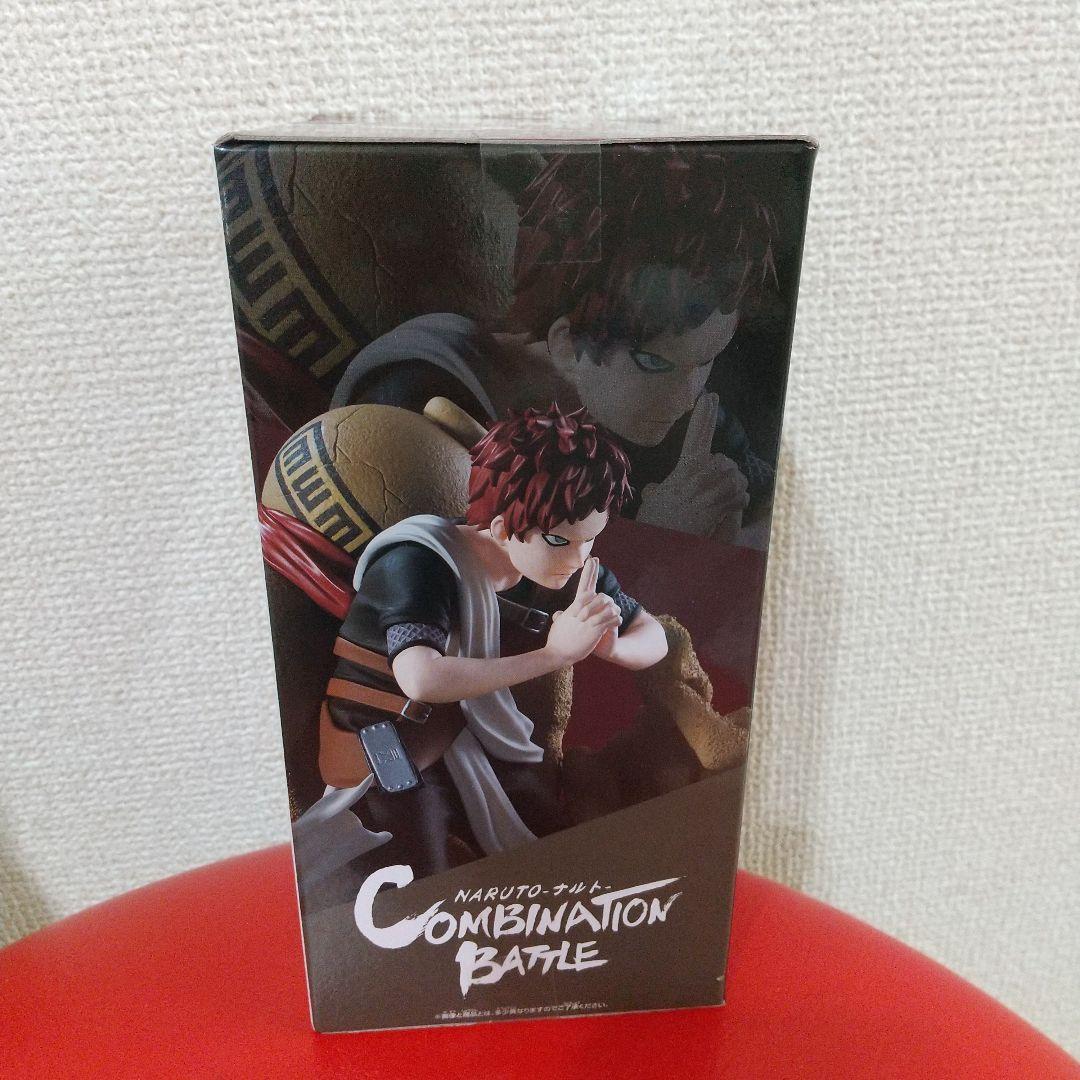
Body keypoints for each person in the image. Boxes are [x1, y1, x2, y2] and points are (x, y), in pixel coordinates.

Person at [296, 405, 669, 887]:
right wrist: (555, 655)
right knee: (417, 863)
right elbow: (420, 677)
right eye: (562, 541)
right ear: (501, 528)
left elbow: (652, 634)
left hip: (475, 736)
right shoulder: (418, 561)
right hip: (379, 739)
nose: (580, 558)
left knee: (554, 836)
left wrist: (612, 648)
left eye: (590, 540)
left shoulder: (560, 563)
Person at [330, 145, 780, 542]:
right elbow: (429, 580)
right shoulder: (419, 387)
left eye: (705, 360)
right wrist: (658, 538)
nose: (687, 397)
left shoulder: (684, 422)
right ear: (566, 343)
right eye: (654, 363)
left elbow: (769, 516)